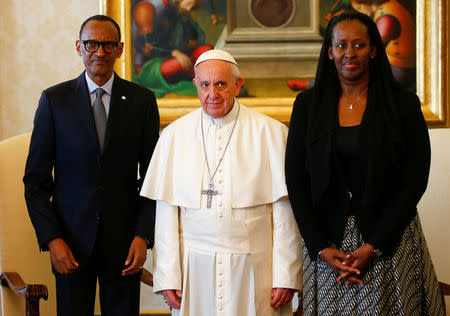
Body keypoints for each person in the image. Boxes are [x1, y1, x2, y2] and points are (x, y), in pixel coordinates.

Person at [285, 10, 444, 315]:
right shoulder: (307, 106)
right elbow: (296, 180)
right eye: (341, 45)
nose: (349, 53)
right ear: (329, 52)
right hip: (329, 247)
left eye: (358, 45)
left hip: (389, 242)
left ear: (373, 50)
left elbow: (415, 180)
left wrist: (375, 244)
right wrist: (319, 246)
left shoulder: (403, 105)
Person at [140, 49, 302, 316]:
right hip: (194, 270)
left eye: (221, 84)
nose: (212, 94)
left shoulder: (271, 133)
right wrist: (168, 276)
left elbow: (285, 215)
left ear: (237, 85)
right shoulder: (173, 136)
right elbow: (167, 214)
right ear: (195, 85)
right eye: (204, 85)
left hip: (255, 267)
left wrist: (286, 275)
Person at [23, 15, 160, 316]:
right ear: (79, 47)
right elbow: (35, 182)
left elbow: (153, 178)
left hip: (124, 246)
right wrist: (52, 240)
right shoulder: (54, 100)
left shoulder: (142, 101)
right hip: (70, 246)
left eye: (108, 44)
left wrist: (143, 236)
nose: (100, 52)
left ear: (120, 49)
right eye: (92, 44)